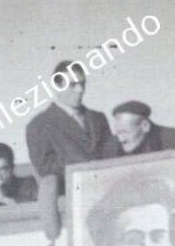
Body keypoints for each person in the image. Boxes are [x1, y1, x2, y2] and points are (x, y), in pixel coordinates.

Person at [25, 60, 115, 189]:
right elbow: (45, 168)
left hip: (107, 187)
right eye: (73, 85)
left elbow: (111, 154)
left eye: (82, 84)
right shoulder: (39, 124)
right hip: (71, 195)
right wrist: (86, 165)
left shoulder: (98, 118)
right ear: (57, 86)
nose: (80, 90)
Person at [101, 100, 175, 157]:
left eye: (125, 132)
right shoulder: (110, 148)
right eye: (118, 133)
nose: (121, 139)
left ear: (145, 126)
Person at [0, 142, 38, 206]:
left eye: (3, 169)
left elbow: (39, 205)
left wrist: (4, 199)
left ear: (12, 168)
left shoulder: (28, 184)